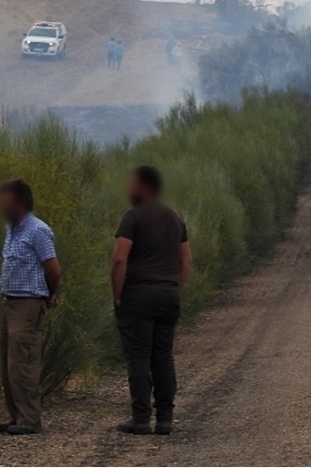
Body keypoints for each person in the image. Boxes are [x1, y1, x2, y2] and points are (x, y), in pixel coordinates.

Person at [111, 166, 192, 436]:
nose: (128, 189)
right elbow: (186, 260)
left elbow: (120, 258)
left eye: (132, 184)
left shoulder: (132, 217)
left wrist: (118, 294)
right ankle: (165, 418)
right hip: (168, 295)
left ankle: (141, 418)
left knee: (139, 358)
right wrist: (175, 286)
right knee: (163, 357)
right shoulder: (174, 217)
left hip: (139, 294)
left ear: (145, 187)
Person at [0, 179, 61, 436]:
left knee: (24, 363)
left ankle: (30, 419)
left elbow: (53, 270)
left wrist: (49, 295)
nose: (1, 206)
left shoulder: (38, 230)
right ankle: (16, 416)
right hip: (9, 303)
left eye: (6, 200)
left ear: (20, 202)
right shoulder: (11, 229)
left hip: (27, 304)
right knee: (9, 364)